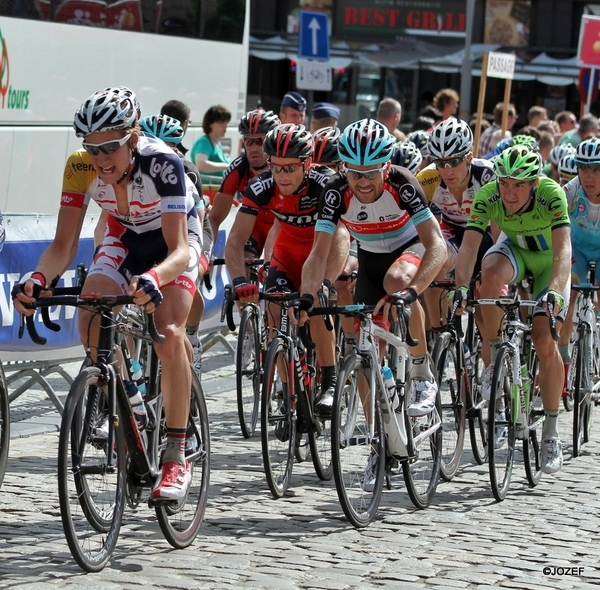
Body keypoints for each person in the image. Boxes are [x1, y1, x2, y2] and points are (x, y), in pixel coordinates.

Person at [12, 87, 203, 500]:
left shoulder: (162, 164)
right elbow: (63, 247)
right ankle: (129, 398)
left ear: (133, 138)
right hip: (123, 234)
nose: (100, 160)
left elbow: (179, 251)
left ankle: (176, 454)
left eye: (110, 148)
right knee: (91, 314)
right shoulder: (79, 167)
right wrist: (37, 279)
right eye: (91, 148)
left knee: (169, 330)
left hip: (173, 240)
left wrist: (153, 278)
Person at [300, 118, 447, 417]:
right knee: (365, 353)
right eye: (354, 173)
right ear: (343, 168)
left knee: (396, 281)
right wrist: (308, 294)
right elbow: (319, 253)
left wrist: (414, 292)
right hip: (370, 258)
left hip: (410, 248)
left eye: (371, 173)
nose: (363, 182)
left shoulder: (403, 183)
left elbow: (437, 245)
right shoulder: (335, 190)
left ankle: (421, 372)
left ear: (387, 167)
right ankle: (378, 442)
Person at [453, 145, 571, 474]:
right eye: (505, 183)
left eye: (519, 185)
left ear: (534, 183)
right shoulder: (488, 195)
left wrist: (556, 293)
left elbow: (563, 250)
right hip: (515, 252)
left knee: (545, 340)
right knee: (488, 275)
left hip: (550, 263)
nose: (510, 192)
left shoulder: (551, 195)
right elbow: (469, 246)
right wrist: (462, 286)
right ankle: (495, 358)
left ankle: (550, 430)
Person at [225, 124, 346, 415]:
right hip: (288, 251)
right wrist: (240, 280)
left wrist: (324, 282)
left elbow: (335, 238)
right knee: (274, 310)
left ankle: (330, 380)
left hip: (323, 249)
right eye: (275, 167)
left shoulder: (326, 183)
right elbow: (235, 241)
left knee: (315, 300)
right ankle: (287, 388)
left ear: (307, 163)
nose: (281, 175)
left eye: (290, 168)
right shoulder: (262, 186)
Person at [139, 113, 213, 377]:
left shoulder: (186, 169)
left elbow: (196, 222)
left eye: (164, 145)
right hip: (153, 231)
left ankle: (191, 336)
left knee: (189, 279)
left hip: (191, 229)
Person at [417, 117, 495, 365]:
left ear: (469, 156)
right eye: (440, 162)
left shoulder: (488, 175)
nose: (447, 170)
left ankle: (492, 369)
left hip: (484, 234)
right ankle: (441, 330)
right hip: (450, 230)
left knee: (484, 315)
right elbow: (415, 226)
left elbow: (499, 228)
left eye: (454, 161)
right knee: (435, 260)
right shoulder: (427, 179)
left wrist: (488, 268)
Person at [558, 138, 600, 396]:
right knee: (568, 295)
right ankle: (562, 365)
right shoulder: (571, 190)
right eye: (583, 168)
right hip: (578, 251)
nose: (588, 175)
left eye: (596, 169)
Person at [209, 109, 280, 260]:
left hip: (281, 227)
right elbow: (214, 218)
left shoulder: (283, 169)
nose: (254, 147)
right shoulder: (237, 170)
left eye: (260, 141)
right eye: (249, 141)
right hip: (253, 226)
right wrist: (206, 253)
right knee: (243, 259)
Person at [190, 104, 232, 181]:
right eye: (222, 122)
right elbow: (201, 165)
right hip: (206, 191)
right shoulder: (204, 142)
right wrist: (228, 166)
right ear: (211, 124)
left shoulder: (218, 143)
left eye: (226, 122)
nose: (225, 126)